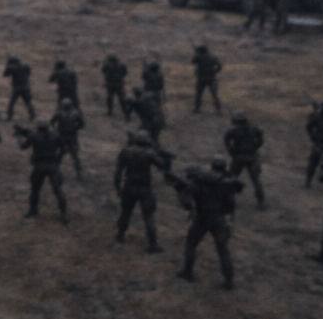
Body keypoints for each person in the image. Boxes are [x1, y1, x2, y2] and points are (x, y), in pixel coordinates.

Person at [164, 158, 242, 289]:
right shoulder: (225, 183)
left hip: (201, 220)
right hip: (218, 220)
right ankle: (229, 281)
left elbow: (186, 202)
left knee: (190, 245)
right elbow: (231, 204)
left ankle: (188, 272)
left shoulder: (198, 182)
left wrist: (179, 189)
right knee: (223, 251)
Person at [114, 131, 167, 252]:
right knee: (148, 215)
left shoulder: (126, 152)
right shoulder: (149, 153)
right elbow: (162, 164)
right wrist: (156, 151)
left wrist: (117, 187)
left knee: (125, 212)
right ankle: (153, 244)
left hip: (129, 187)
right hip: (144, 189)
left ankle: (120, 234)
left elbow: (118, 172)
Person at [18, 121, 69, 222]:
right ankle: (63, 214)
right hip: (52, 166)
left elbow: (23, 147)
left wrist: (18, 137)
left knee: (35, 189)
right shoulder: (56, 135)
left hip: (39, 166)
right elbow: (65, 149)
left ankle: (33, 210)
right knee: (58, 190)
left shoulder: (33, 136)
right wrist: (58, 160)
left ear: (38, 127)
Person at [225, 110, 267, 208]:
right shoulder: (254, 128)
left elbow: (226, 139)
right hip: (251, 157)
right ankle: (261, 201)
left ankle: (229, 200)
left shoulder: (234, 129)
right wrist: (254, 147)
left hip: (239, 157)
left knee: (232, 178)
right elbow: (260, 140)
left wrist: (231, 150)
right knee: (256, 180)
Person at [52, 97, 85, 173]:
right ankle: (78, 171)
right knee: (75, 155)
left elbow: (52, 122)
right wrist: (75, 128)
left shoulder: (59, 113)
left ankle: (55, 169)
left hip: (61, 136)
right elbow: (81, 125)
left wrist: (56, 130)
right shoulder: (76, 113)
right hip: (72, 137)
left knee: (60, 154)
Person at [191, 44, 223, 114]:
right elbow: (219, 66)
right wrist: (213, 72)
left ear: (200, 51)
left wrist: (195, 54)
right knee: (214, 95)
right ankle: (218, 110)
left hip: (201, 78)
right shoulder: (212, 57)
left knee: (199, 94)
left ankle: (197, 109)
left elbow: (193, 62)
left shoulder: (198, 57)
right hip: (211, 78)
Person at [3, 55, 35, 121]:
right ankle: (32, 116)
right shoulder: (25, 66)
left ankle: (9, 117)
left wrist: (8, 65)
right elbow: (29, 74)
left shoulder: (12, 67)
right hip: (25, 87)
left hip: (17, 88)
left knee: (12, 103)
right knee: (28, 102)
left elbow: (5, 74)